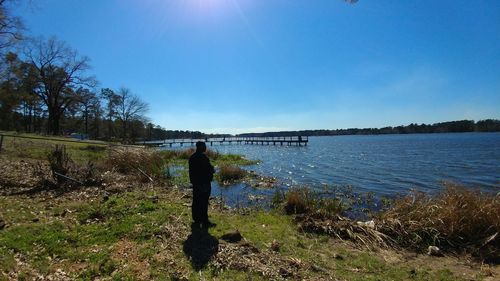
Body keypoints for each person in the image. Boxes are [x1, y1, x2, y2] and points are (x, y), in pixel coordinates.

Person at [189, 141, 216, 228]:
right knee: (204, 202)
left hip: (196, 183)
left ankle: (196, 219)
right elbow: (208, 169)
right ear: (200, 147)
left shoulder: (192, 157)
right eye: (204, 146)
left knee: (196, 201)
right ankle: (205, 221)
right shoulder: (203, 157)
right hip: (204, 183)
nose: (206, 148)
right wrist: (213, 169)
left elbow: (192, 171)